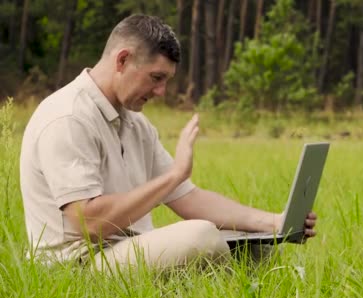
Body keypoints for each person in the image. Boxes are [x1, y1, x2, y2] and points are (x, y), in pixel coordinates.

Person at [19, 14, 317, 271]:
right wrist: (174, 174)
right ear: (122, 60)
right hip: (78, 264)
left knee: (253, 244)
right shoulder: (68, 118)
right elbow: (90, 223)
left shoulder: (135, 123)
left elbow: (188, 198)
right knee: (201, 236)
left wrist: (274, 223)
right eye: (156, 77)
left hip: (124, 252)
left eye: (166, 81)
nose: (161, 91)